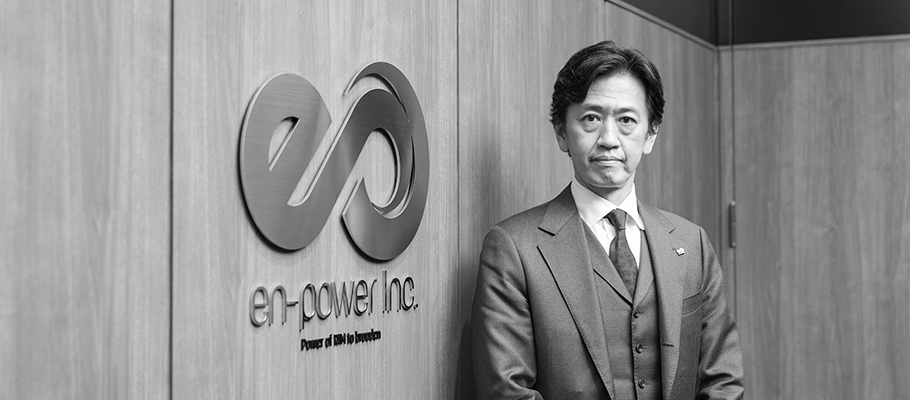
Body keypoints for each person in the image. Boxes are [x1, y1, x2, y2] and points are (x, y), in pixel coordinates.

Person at [471, 41, 744, 400]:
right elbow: (507, 392)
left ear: (650, 134)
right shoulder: (514, 248)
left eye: (627, 120)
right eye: (591, 118)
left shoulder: (692, 244)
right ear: (561, 132)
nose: (609, 140)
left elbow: (723, 380)